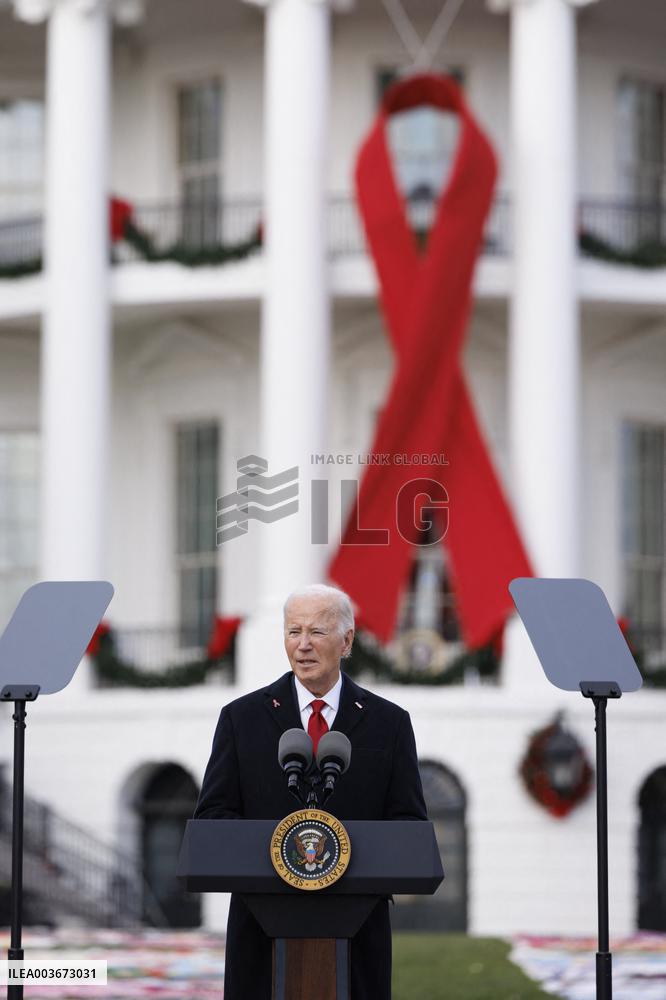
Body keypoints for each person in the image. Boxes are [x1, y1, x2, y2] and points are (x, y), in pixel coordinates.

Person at [194, 583, 427, 1000]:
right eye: (293, 631)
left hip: (357, 930)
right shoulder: (241, 719)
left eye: (317, 632)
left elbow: (408, 822)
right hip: (261, 927)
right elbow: (214, 816)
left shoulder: (388, 723)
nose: (302, 645)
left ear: (347, 640)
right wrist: (280, 850)